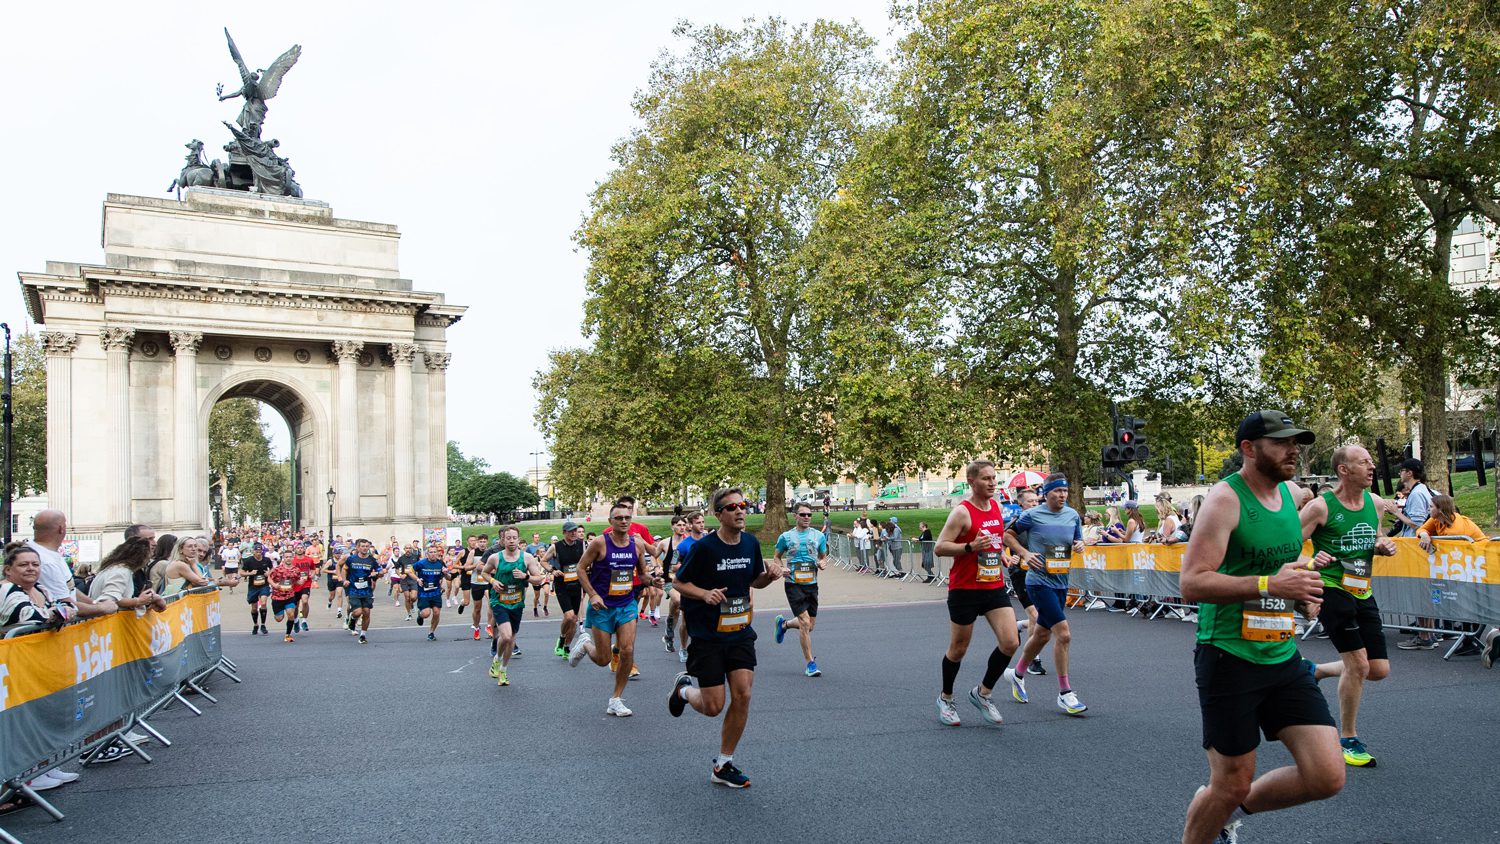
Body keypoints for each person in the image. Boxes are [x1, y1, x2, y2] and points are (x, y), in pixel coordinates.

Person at [1179, 410, 1342, 844]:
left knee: (1326, 776)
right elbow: (1192, 583)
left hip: (1282, 654)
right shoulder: (1225, 499)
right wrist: (1272, 584)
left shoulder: (1289, 496)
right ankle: (1218, 807)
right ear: (1248, 449)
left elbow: (1278, 565)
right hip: (1229, 655)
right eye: (1281, 442)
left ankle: (1223, 813)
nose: (1293, 451)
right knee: (1232, 782)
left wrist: (1300, 590)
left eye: (1296, 443)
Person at [668, 487, 786, 788]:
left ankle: (723, 764)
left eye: (743, 505)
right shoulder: (705, 548)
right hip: (708, 635)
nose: (740, 510)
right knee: (713, 707)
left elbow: (755, 580)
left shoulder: (750, 543)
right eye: (732, 507)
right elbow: (679, 582)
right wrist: (704, 594)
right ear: (718, 514)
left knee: (743, 694)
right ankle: (683, 691)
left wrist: (770, 576)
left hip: (740, 632)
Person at [1298, 444, 1399, 768]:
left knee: (1378, 669)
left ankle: (1316, 670)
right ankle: (1349, 738)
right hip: (1331, 588)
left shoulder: (1375, 502)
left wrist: (1381, 545)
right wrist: (1310, 561)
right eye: (1364, 462)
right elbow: (1285, 545)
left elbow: (1374, 535)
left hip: (1362, 589)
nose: (1372, 467)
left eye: (1371, 461)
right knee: (1357, 665)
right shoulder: (1320, 507)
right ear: (1344, 470)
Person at [932, 460, 1021, 727]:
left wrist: (1001, 555)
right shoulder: (962, 512)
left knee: (1011, 642)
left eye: (994, 478)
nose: (992, 483)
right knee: (959, 649)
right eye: (986, 478)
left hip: (993, 586)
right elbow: (940, 547)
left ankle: (983, 693)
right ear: (972, 482)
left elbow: (994, 539)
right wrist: (970, 547)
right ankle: (946, 698)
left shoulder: (996, 506)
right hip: (965, 589)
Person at [1002, 473, 1088, 716]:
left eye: (1065, 491)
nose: (1062, 495)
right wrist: (1024, 553)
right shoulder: (1032, 515)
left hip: (1061, 582)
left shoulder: (1072, 515)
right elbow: (1007, 535)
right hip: (1038, 582)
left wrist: (1080, 545)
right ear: (1046, 493)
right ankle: (1065, 693)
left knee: (1041, 635)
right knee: (1064, 635)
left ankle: (1017, 673)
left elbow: (1077, 540)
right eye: (1057, 491)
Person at [568, 502, 662, 716]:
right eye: (618, 518)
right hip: (602, 606)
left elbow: (642, 573)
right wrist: (593, 594)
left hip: (626, 604)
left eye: (627, 517)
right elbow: (580, 568)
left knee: (627, 650)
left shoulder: (637, 544)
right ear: (610, 521)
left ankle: (616, 699)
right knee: (603, 659)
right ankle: (585, 644)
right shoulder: (600, 543)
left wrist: (652, 581)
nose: (623, 521)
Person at [773, 502, 829, 676]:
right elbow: (776, 557)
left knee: (810, 626)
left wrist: (822, 563)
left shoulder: (819, 536)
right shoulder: (786, 537)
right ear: (795, 516)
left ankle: (784, 624)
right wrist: (781, 568)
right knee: (804, 622)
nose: (806, 517)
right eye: (803, 514)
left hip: (811, 584)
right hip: (793, 583)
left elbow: (823, 557)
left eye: (809, 515)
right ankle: (810, 664)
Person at [483, 527, 544, 686]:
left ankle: (503, 671)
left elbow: (539, 579)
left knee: (511, 640)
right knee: (506, 636)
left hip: (517, 602)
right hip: (499, 601)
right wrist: (493, 581)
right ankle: (497, 659)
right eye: (508, 538)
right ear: (503, 540)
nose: (511, 541)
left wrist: (526, 576)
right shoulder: (495, 558)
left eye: (514, 538)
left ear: (518, 539)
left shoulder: (527, 558)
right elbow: (484, 572)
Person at [665, 510, 706, 663]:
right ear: (690, 525)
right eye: (698, 523)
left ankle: (702, 648)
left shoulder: (708, 541)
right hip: (688, 587)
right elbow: (672, 565)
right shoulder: (683, 545)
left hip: (706, 586)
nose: (701, 525)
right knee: (687, 621)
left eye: (703, 522)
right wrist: (688, 566)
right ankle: (683, 648)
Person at [89, 537, 168, 614]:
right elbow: (111, 599)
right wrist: (139, 601)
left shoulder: (115, 568)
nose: (148, 560)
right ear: (141, 557)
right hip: (109, 620)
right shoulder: (121, 572)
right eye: (148, 557)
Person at [2, 542, 75, 626]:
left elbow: (66, 606)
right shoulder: (4, 589)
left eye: (35, 565)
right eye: (23, 565)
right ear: (8, 570)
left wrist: (66, 609)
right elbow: (27, 616)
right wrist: (58, 612)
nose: (31, 568)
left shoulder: (40, 588)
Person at [544, 522, 586, 658]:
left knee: (574, 620)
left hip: (576, 585)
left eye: (575, 531)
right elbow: (543, 561)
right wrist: (552, 570)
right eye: (570, 531)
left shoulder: (581, 544)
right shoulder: (556, 547)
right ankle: (562, 638)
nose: (574, 533)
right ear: (564, 533)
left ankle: (567, 648)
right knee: (569, 616)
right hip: (562, 585)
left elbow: (585, 561)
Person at [338, 539, 384, 644]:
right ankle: (352, 619)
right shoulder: (351, 559)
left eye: (367, 546)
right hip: (353, 589)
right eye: (363, 546)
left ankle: (363, 635)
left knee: (367, 612)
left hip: (366, 590)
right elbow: (344, 569)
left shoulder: (372, 560)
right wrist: (344, 580)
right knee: (358, 612)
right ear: (358, 547)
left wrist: (377, 574)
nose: (365, 548)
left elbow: (381, 571)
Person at [410, 542, 450, 641]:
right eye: (431, 552)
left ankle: (431, 632)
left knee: (436, 612)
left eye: (434, 552)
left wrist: (445, 573)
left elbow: (449, 578)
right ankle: (420, 615)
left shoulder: (440, 563)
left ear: (437, 553)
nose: (433, 554)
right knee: (426, 614)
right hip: (424, 593)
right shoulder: (421, 563)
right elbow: (410, 572)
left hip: (436, 592)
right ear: (427, 554)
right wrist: (417, 579)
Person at [241, 544, 273, 634]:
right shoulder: (249, 561)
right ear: (253, 552)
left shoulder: (266, 560)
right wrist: (250, 573)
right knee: (254, 608)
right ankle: (255, 624)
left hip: (264, 585)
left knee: (263, 603)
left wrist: (269, 573)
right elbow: (241, 573)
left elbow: (272, 568)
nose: (259, 553)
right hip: (253, 586)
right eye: (257, 552)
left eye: (260, 552)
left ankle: (263, 625)